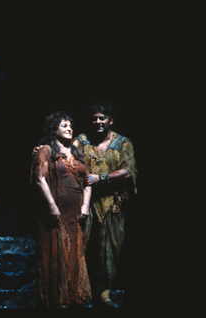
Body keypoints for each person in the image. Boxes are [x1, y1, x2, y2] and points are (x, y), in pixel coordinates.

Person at [72, 102, 137, 308]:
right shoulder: (83, 140)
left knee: (111, 247)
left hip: (112, 203)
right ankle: (81, 292)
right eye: (94, 118)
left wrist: (102, 178)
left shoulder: (123, 143)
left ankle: (105, 294)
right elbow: (64, 150)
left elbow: (128, 170)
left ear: (110, 120)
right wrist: (44, 149)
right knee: (82, 244)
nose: (98, 121)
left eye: (102, 118)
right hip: (85, 202)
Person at [30, 111, 92, 308]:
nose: (69, 128)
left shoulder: (76, 152)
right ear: (53, 128)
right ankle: (58, 298)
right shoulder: (46, 150)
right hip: (57, 210)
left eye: (70, 125)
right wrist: (51, 206)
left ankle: (75, 296)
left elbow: (88, 181)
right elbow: (40, 179)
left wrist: (85, 205)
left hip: (76, 212)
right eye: (64, 125)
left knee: (75, 252)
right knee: (56, 252)